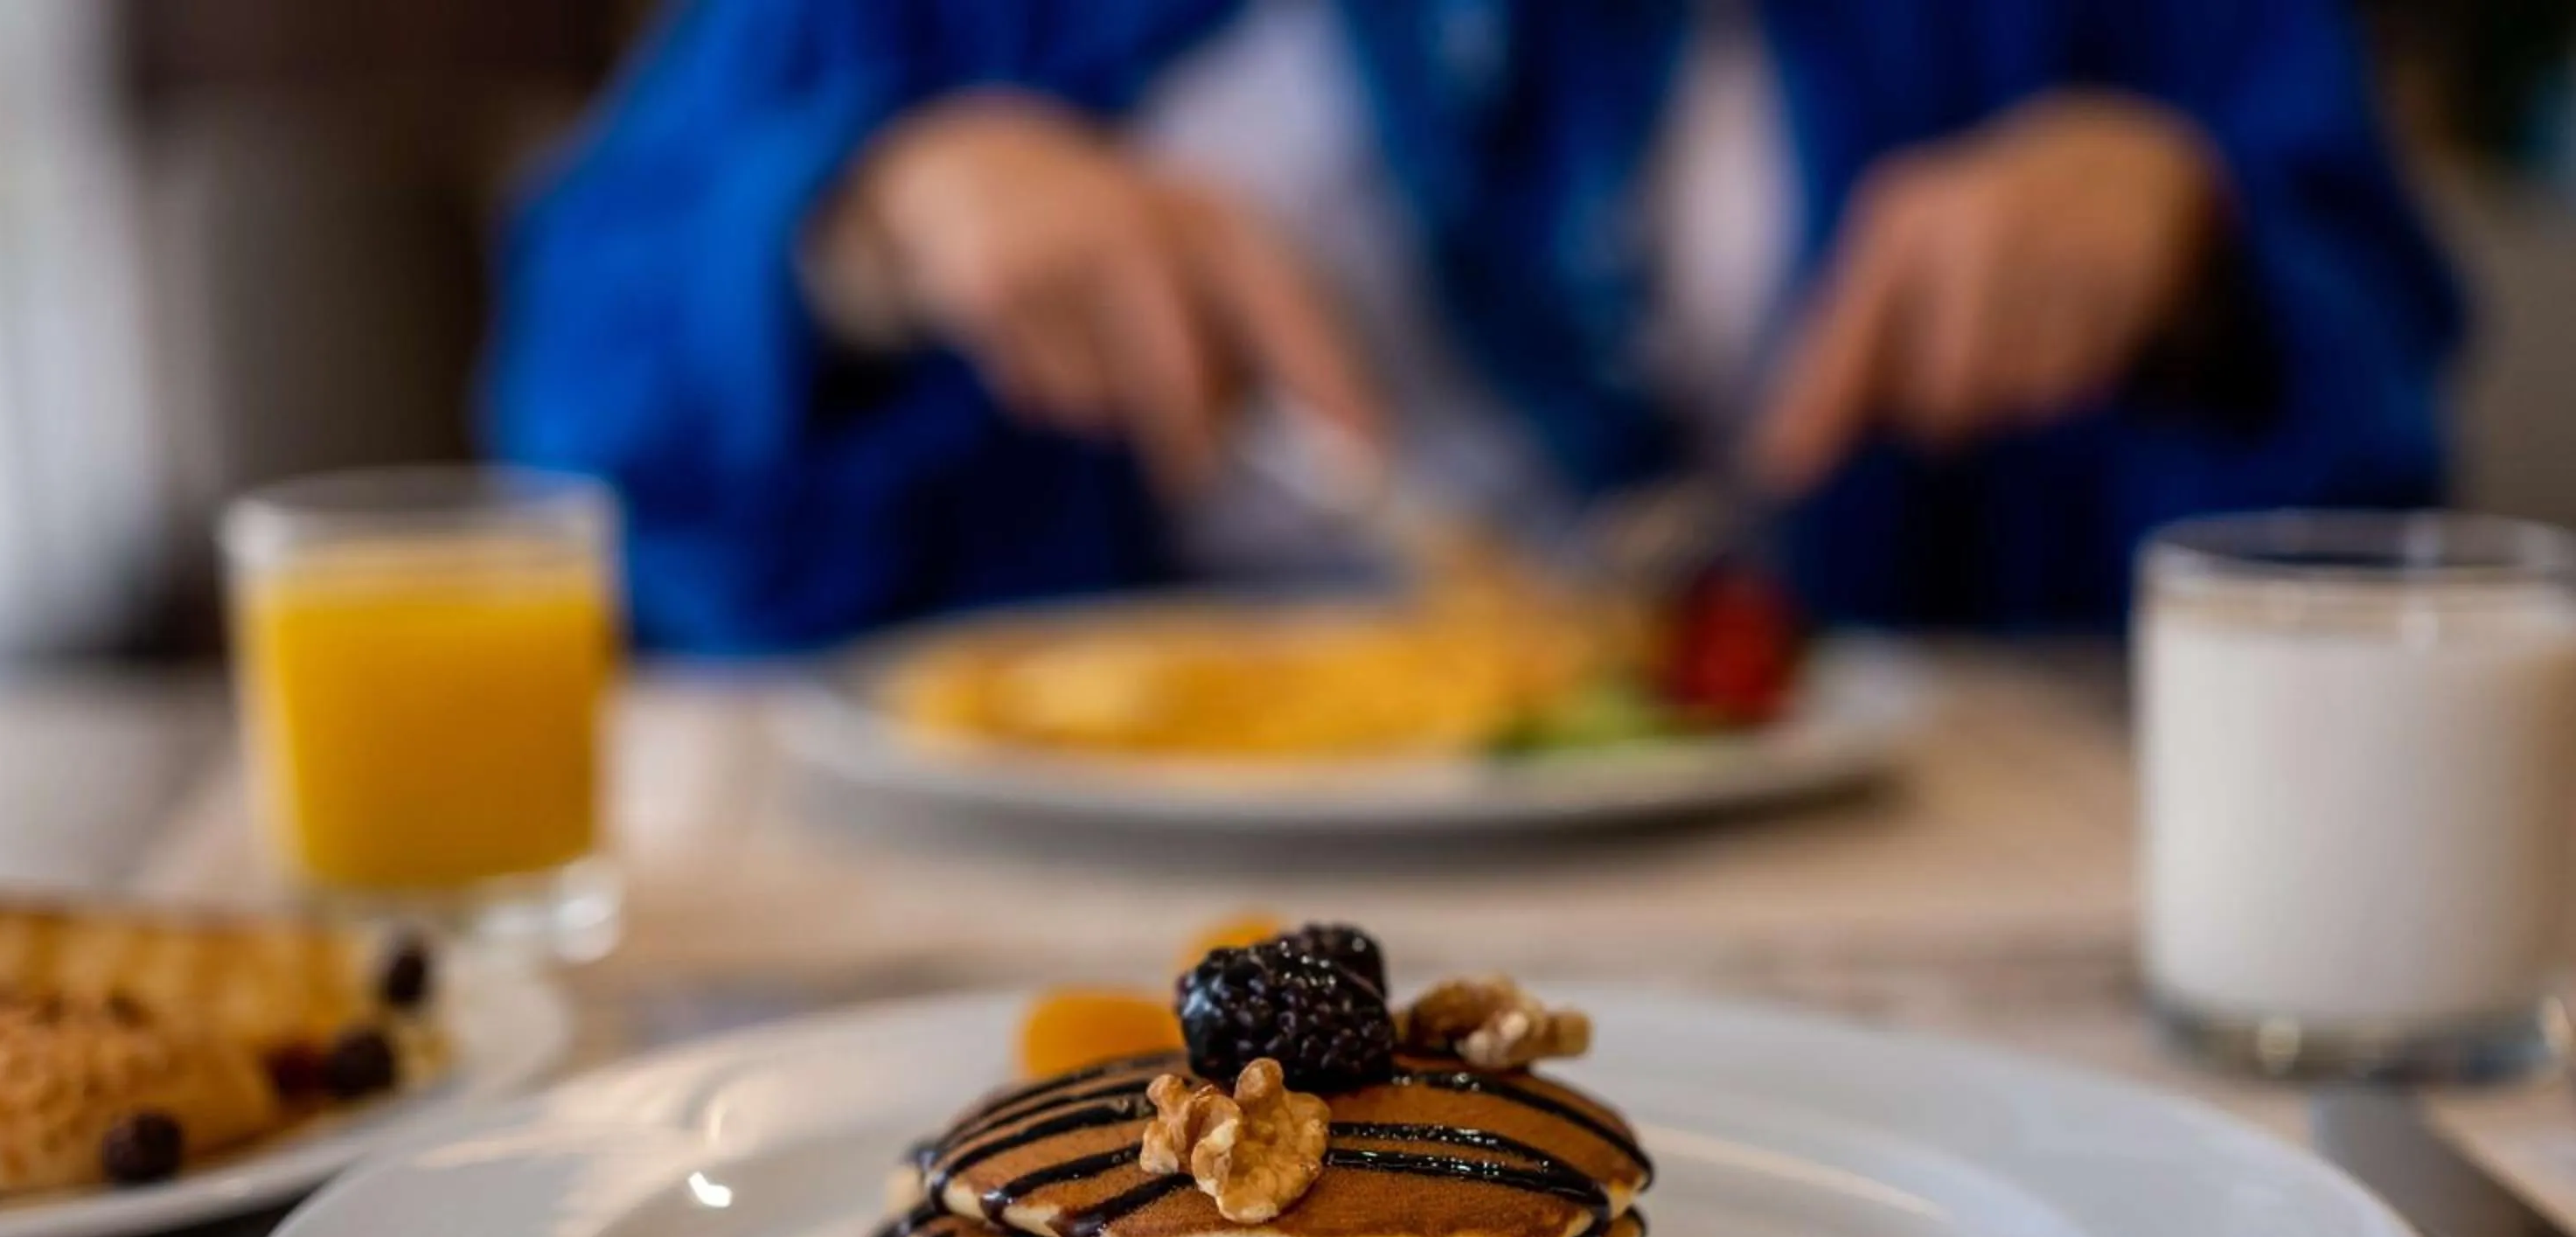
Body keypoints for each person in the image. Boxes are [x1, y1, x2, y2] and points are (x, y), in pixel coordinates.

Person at [487, 0, 2461, 653]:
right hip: (1076, 928)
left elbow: (2387, 449)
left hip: (1885, 907)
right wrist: (860, 225)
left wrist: (2191, 250)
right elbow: (566, 402)